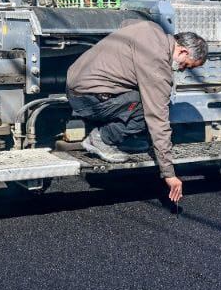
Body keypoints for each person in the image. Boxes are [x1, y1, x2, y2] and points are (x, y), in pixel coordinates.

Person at [66, 21, 208, 202]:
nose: (182, 69)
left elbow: (125, 22)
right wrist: (169, 173)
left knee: (143, 95)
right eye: (186, 65)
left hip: (76, 83)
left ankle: (122, 138)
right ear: (183, 51)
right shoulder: (158, 64)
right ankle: (102, 138)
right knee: (151, 106)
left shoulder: (150, 28)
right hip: (88, 99)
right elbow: (158, 120)